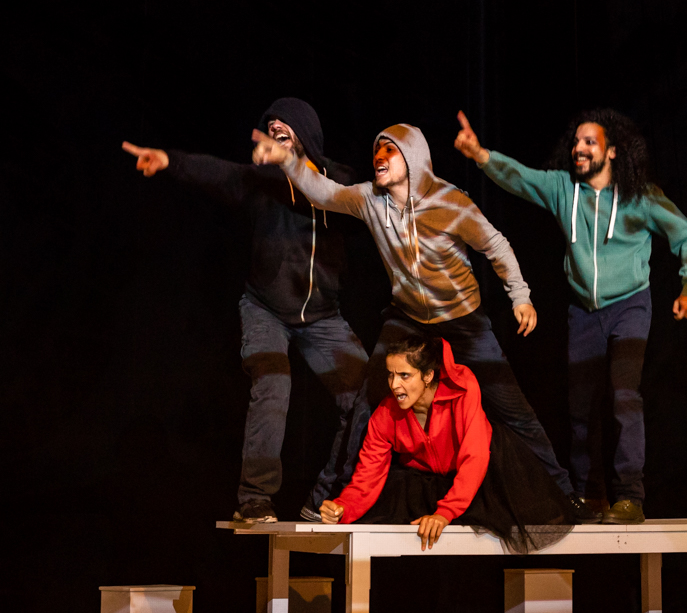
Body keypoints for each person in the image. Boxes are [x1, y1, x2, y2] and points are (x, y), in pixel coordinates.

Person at [250, 123, 599, 523]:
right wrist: (288, 160)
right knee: (367, 401)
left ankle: (566, 493)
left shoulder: (450, 202)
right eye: (376, 151)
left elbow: (495, 244)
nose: (379, 158)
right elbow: (324, 192)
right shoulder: (370, 200)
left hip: (463, 318)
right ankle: (330, 501)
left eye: (390, 152)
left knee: (513, 409)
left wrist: (520, 296)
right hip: (408, 316)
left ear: (413, 159)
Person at [454, 109, 687, 524]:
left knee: (624, 396)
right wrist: (480, 154)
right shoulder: (562, 189)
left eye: (590, 142)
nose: (579, 149)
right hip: (583, 312)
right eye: (576, 142)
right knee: (581, 406)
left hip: (630, 305)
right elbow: (520, 178)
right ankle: (591, 496)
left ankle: (630, 497)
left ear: (611, 151)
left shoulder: (639, 196)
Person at [122, 98, 368, 523]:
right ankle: (255, 499)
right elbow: (219, 172)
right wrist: (170, 161)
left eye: (284, 130)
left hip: (323, 316)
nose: (274, 136)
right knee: (273, 387)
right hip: (265, 310)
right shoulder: (258, 180)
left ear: (305, 135)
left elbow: (347, 204)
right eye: (269, 131)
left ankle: (326, 498)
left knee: (366, 395)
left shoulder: (339, 179)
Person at [320, 335, 575, 553]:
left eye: (405, 375)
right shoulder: (385, 416)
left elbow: (474, 456)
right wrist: (343, 508)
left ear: (428, 375)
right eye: (391, 375)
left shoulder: (463, 388)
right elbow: (368, 476)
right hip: (431, 482)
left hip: (483, 475)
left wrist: (445, 513)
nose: (394, 384)